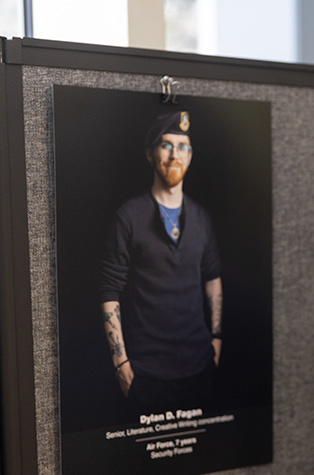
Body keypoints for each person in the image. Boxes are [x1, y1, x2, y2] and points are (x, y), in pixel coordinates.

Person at [100, 111, 223, 411]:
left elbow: (212, 277)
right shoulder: (128, 217)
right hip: (145, 374)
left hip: (199, 368)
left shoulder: (201, 217)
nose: (174, 155)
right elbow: (109, 291)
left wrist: (217, 339)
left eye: (182, 146)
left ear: (191, 155)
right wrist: (121, 363)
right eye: (166, 145)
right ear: (150, 154)